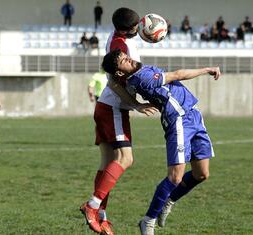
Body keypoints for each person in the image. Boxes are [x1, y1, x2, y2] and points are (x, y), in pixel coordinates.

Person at [101, 49, 221, 235]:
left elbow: (115, 84)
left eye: (127, 56)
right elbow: (178, 75)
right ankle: (148, 220)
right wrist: (207, 69)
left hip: (193, 115)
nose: (130, 59)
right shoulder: (143, 77)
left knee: (201, 174)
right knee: (175, 176)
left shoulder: (134, 76)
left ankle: (169, 200)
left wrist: (136, 104)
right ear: (119, 71)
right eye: (124, 61)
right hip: (179, 120)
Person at [79, 7, 158, 235]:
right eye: (135, 28)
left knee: (106, 163)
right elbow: (115, 83)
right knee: (126, 159)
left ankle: (102, 217)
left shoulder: (121, 40)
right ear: (125, 29)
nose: (138, 30)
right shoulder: (119, 46)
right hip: (113, 107)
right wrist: (136, 104)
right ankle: (92, 206)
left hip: (107, 107)